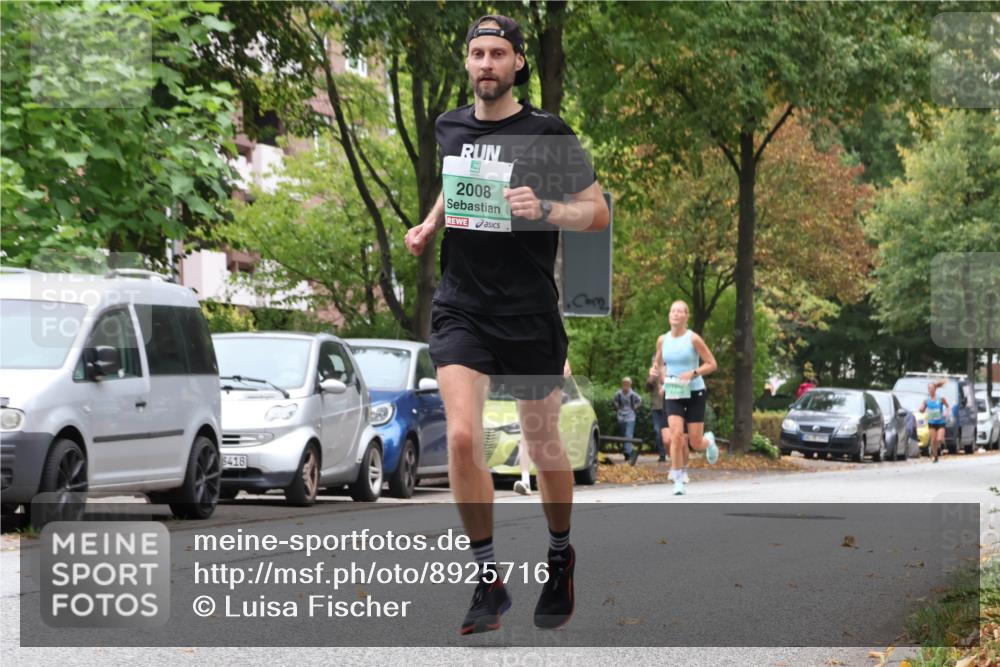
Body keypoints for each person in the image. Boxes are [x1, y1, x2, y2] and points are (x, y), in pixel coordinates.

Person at [404, 14, 609, 636]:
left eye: (497, 53)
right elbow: (457, 176)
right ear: (467, 63)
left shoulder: (548, 133)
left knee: (543, 445)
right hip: (462, 303)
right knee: (464, 440)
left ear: (518, 62)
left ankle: (559, 555)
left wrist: (545, 207)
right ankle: (488, 579)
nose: (486, 63)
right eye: (476, 54)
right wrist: (432, 223)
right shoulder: (449, 125)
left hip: (527, 310)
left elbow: (596, 214)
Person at [653, 300, 720, 495]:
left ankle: (709, 441)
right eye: (673, 311)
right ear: (669, 315)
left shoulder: (693, 339)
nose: (676, 314)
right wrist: (658, 374)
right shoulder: (662, 340)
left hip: (695, 392)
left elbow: (712, 363)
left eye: (680, 311)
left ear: (686, 316)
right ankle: (678, 477)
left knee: (695, 443)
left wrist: (693, 372)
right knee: (675, 435)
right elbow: (659, 364)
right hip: (674, 391)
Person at [613, 377, 642, 464]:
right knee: (624, 435)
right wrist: (617, 407)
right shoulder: (618, 394)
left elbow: (639, 400)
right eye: (624, 383)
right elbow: (614, 401)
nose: (625, 385)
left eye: (627, 384)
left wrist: (635, 407)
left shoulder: (633, 394)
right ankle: (628, 451)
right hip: (621, 416)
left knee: (628, 434)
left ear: (630, 385)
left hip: (630, 416)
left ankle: (628, 453)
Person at [645, 358, 668, 462]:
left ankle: (672, 453)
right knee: (657, 431)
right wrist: (651, 378)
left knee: (669, 432)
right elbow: (647, 388)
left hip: (668, 406)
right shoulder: (652, 373)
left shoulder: (669, 370)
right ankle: (662, 454)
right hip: (656, 407)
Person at [922, 380, 949, 463]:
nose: (930, 390)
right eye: (929, 388)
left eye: (932, 388)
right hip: (931, 423)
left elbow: (948, 407)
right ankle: (935, 455)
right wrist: (921, 409)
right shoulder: (926, 400)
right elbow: (922, 409)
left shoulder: (941, 399)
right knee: (933, 440)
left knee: (939, 439)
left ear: (935, 389)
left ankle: (940, 448)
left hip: (940, 422)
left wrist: (945, 412)